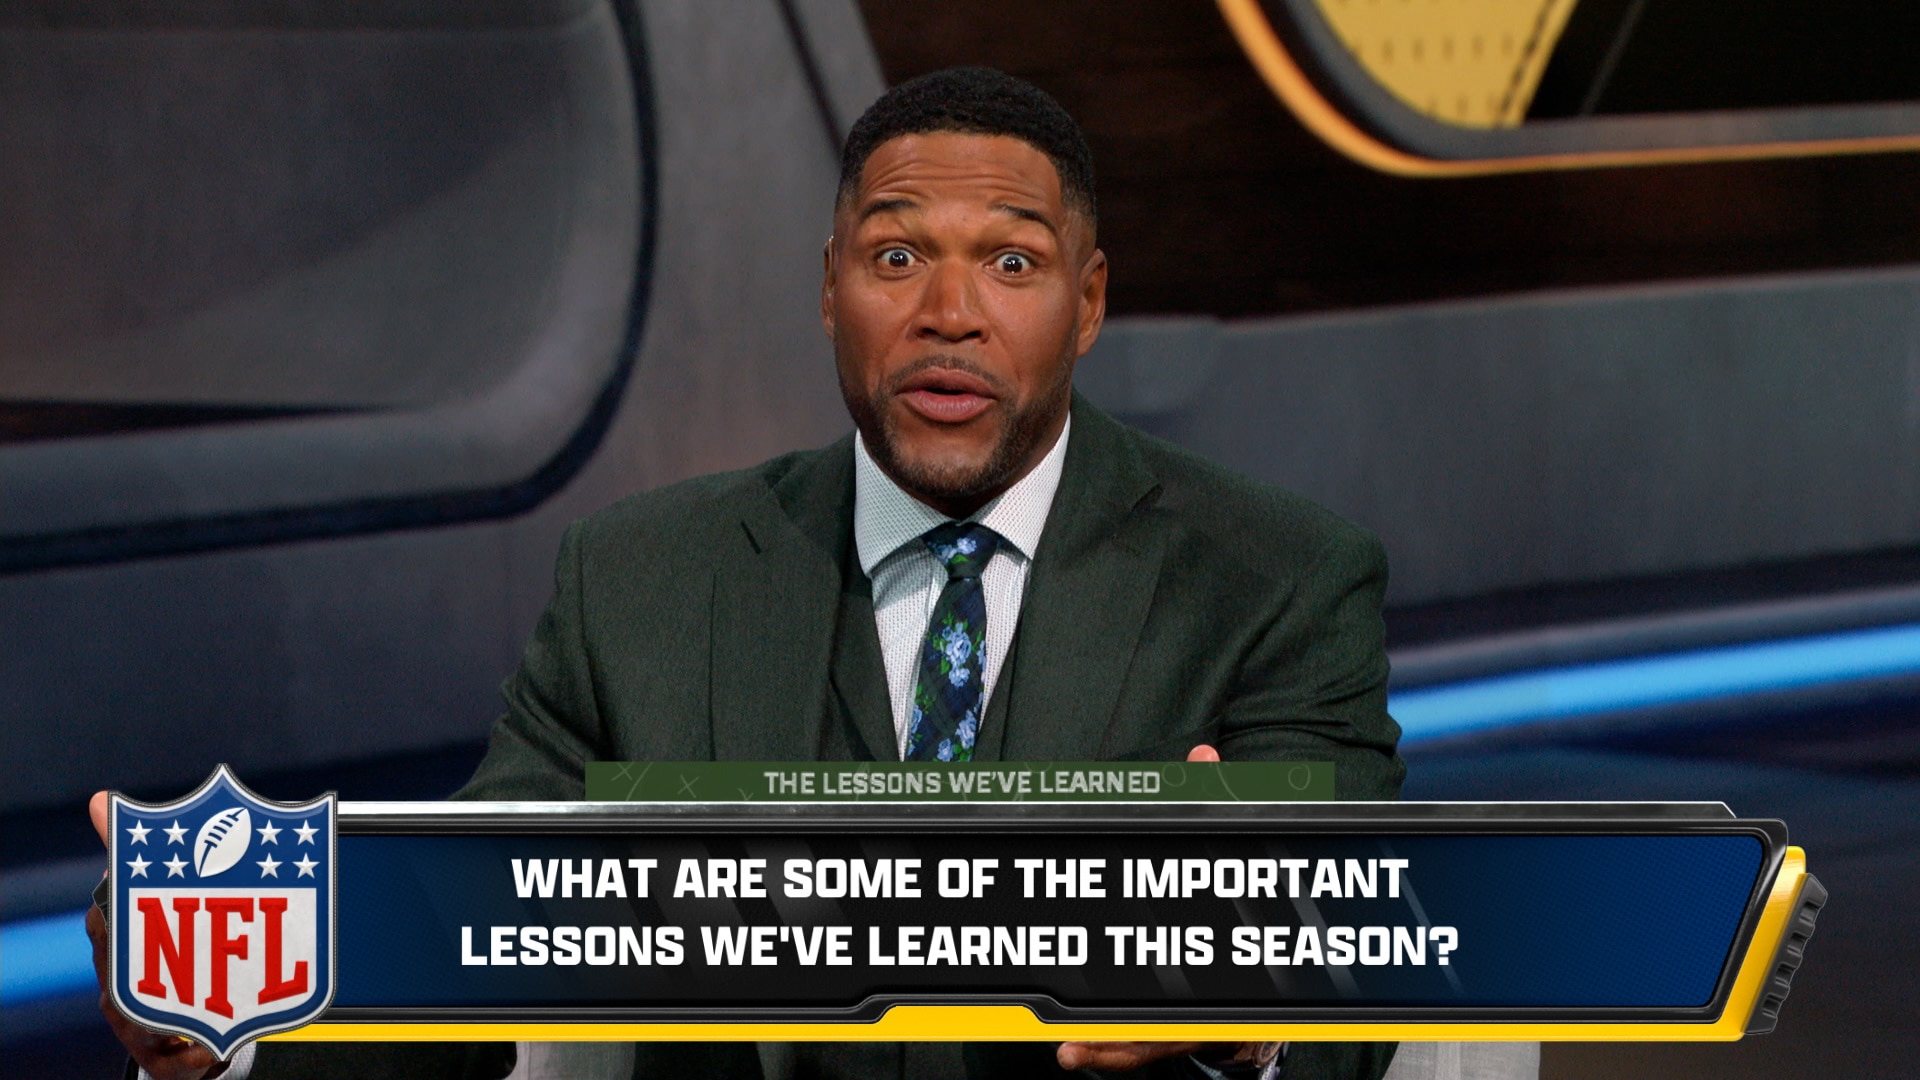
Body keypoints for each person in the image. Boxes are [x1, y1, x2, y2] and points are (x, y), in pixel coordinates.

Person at [89, 67, 1404, 1080]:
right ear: (831, 289)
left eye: (1012, 262)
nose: (949, 312)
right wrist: (230, 1017)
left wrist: (1250, 1010)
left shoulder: (1279, 580)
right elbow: (468, 949)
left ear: (1091, 301)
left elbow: (1363, 986)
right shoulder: (640, 581)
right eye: (897, 257)